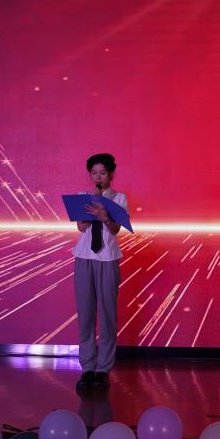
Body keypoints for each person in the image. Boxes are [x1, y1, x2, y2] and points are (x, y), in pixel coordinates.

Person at [73, 153, 128, 391]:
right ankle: (87, 367)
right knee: (85, 314)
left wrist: (105, 216)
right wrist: (92, 206)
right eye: (94, 173)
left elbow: (115, 230)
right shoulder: (83, 197)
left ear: (111, 174)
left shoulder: (119, 198)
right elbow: (81, 227)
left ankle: (103, 369)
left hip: (107, 258)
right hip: (84, 257)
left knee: (107, 314)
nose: (98, 177)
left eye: (102, 173)